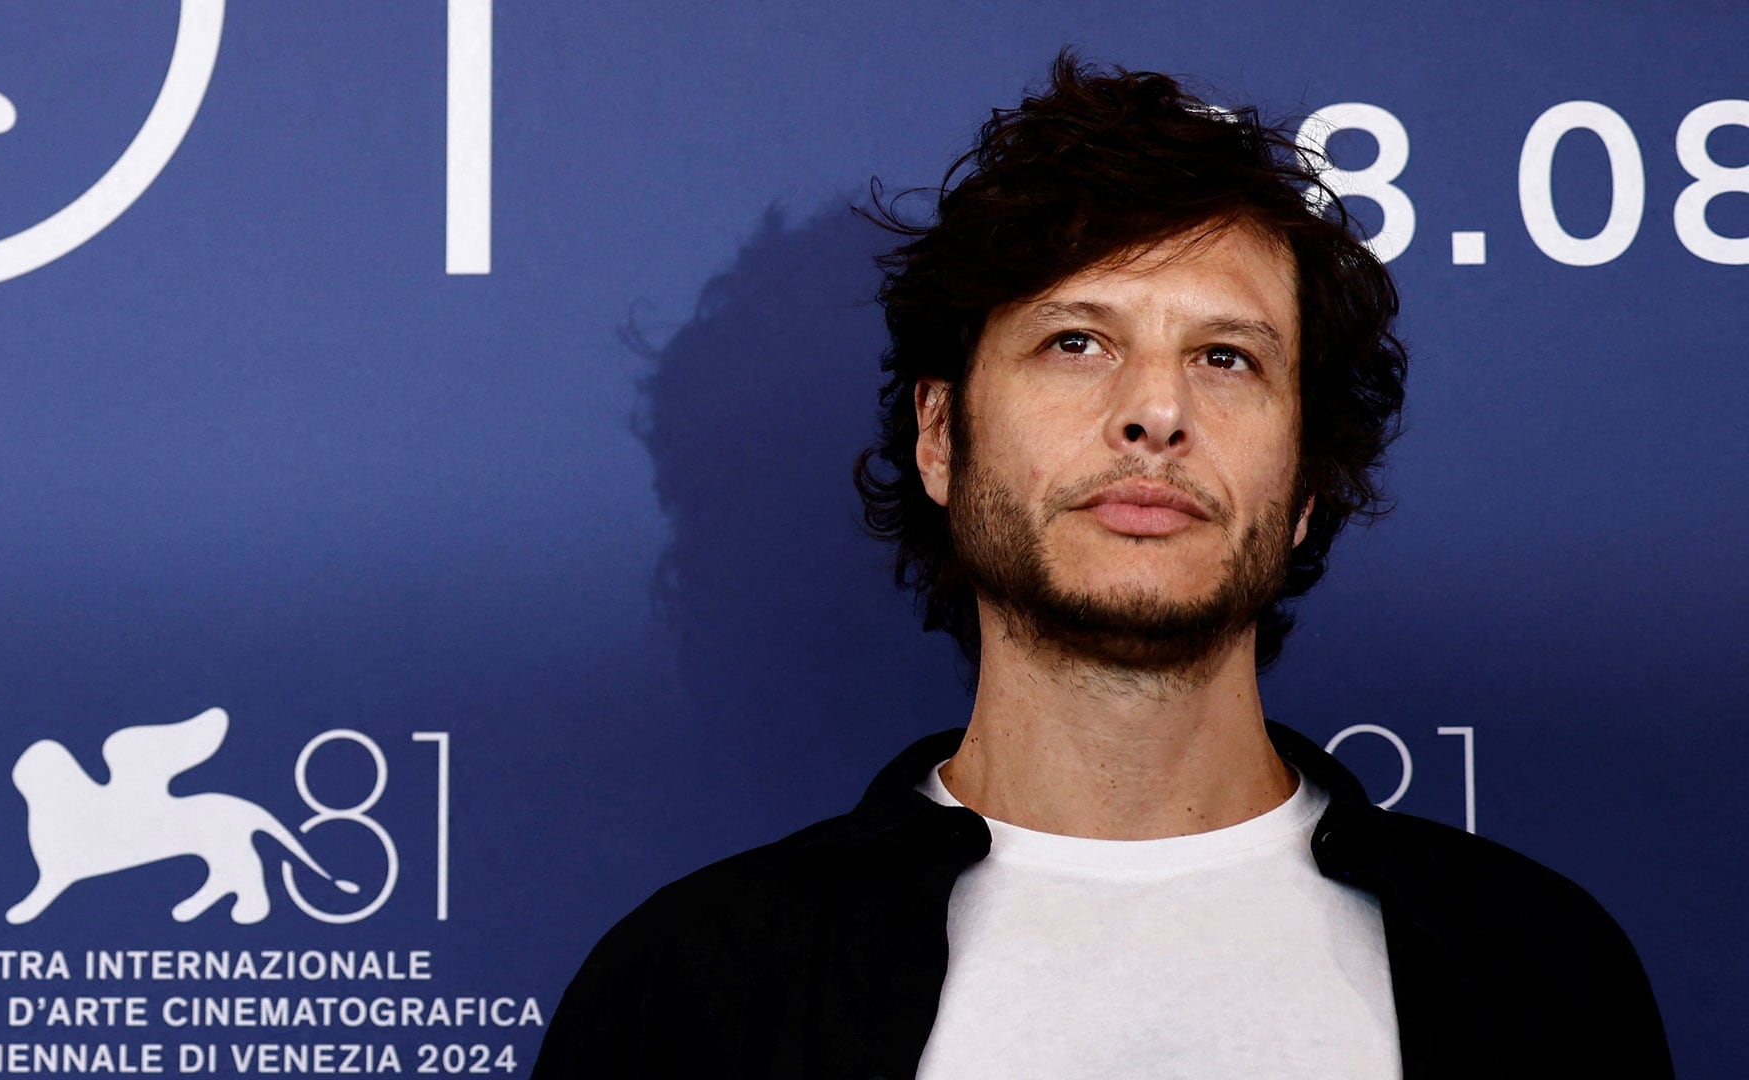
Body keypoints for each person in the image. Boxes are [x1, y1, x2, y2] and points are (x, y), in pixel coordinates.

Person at [534, 54, 1672, 1079]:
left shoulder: (1542, 971)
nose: (1156, 412)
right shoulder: (687, 993)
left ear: (1307, 486)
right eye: (1076, 342)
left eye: (1225, 358)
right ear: (941, 436)